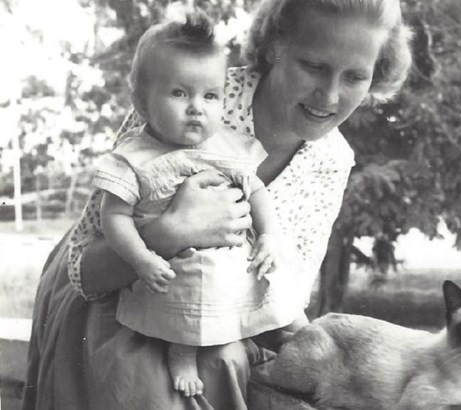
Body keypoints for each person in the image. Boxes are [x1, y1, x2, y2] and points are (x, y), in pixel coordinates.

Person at [22, 0, 412, 409]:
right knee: (154, 381)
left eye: (355, 76)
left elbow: (283, 297)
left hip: (221, 312)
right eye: (313, 66)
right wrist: (169, 233)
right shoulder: (192, 91)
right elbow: (85, 270)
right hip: (117, 291)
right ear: (277, 45)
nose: (330, 95)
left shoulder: (332, 160)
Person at [81, 12, 305, 398]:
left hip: (228, 265)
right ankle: (181, 353)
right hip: (168, 268)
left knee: (268, 292)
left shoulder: (229, 146)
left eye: (210, 95)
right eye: (179, 93)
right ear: (142, 101)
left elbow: (256, 192)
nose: (196, 107)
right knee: (185, 295)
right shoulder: (133, 156)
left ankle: (286, 345)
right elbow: (113, 216)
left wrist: (269, 235)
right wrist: (141, 257)